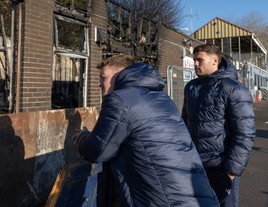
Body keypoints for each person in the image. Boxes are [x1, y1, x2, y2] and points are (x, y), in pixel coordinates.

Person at [72, 53, 219, 207]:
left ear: (119, 75)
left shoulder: (120, 100)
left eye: (103, 77)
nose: (99, 84)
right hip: (196, 196)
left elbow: (98, 150)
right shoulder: (160, 98)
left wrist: (81, 137)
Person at [182, 44, 256, 207]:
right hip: (196, 166)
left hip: (222, 167)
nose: (195, 64)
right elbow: (185, 125)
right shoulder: (191, 87)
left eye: (200, 60)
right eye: (194, 60)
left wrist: (231, 171)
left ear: (215, 60)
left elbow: (245, 133)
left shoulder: (234, 89)